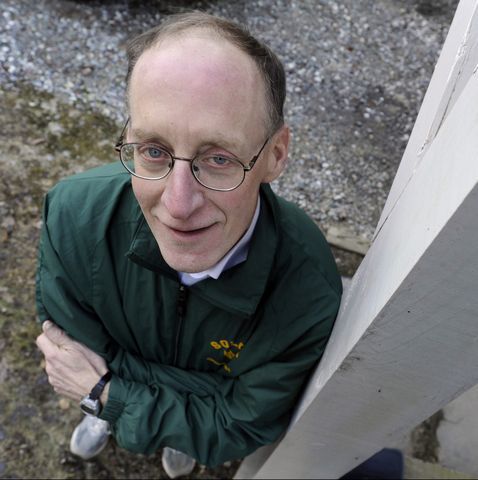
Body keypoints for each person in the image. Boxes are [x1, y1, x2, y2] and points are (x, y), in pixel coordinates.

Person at [35, 11, 342, 478]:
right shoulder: (74, 215)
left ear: (276, 155)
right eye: (154, 151)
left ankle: (121, 415)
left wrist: (106, 391)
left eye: (218, 158)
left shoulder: (307, 288)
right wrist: (207, 399)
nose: (178, 205)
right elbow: (68, 345)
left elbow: (242, 424)